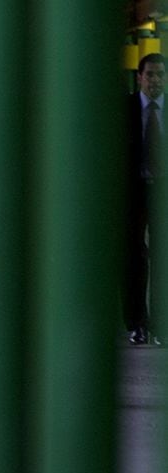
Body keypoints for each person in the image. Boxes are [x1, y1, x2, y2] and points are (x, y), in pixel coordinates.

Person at [126, 53, 166, 345]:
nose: (155, 80)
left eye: (160, 74)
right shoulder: (123, 109)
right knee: (134, 258)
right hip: (133, 191)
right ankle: (138, 323)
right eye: (150, 74)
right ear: (139, 77)